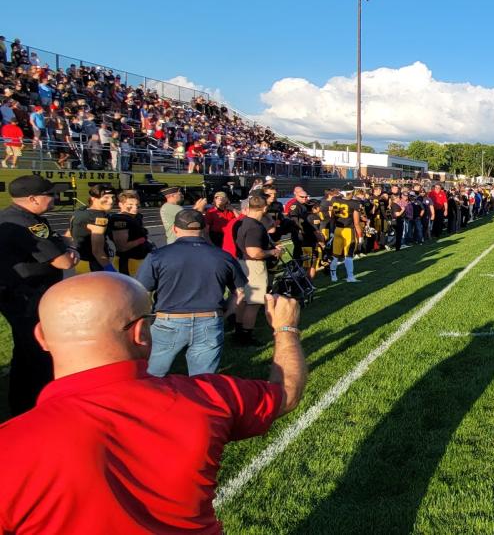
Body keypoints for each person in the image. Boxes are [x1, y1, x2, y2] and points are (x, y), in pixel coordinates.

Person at [0, 273, 306, 532]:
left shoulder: (10, 443)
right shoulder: (207, 396)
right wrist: (285, 328)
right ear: (141, 332)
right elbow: (287, 393)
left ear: (41, 337)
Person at [0, 175, 78, 416]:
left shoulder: (8, 216)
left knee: (24, 353)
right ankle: (40, 407)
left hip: (13, 295)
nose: (54, 198)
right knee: (40, 353)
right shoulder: (31, 223)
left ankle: (21, 403)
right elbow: (63, 261)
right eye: (49, 195)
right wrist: (70, 248)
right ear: (33, 199)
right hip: (30, 298)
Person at [136, 210, 247, 376]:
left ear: (175, 229)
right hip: (209, 319)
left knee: (152, 375)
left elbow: (141, 291)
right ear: (204, 229)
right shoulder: (223, 256)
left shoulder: (157, 256)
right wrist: (225, 313)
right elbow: (239, 293)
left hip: (168, 320)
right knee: (203, 380)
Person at [233, 195, 283, 345]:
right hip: (253, 265)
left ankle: (239, 330)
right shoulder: (255, 226)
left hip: (241, 262)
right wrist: (273, 252)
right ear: (265, 208)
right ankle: (246, 335)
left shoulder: (240, 222)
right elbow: (254, 252)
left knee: (242, 300)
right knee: (253, 303)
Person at [68, 184, 116, 273]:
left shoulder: (82, 210)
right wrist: (109, 268)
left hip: (81, 261)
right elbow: (97, 251)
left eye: (112, 197)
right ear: (93, 198)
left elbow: (68, 235)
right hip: (94, 264)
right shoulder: (98, 216)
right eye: (106, 197)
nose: (111, 201)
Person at [108, 191, 153, 277]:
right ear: (121, 204)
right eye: (130, 205)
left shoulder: (135, 216)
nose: (135, 207)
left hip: (139, 259)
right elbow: (122, 247)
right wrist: (142, 240)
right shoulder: (120, 220)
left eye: (137, 204)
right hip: (128, 262)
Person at [329, 191, 363, 283]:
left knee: (335, 255)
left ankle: (333, 277)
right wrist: (360, 236)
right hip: (348, 231)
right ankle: (350, 277)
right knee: (348, 256)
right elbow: (356, 223)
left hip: (337, 230)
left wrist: (332, 231)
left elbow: (332, 217)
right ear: (351, 193)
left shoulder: (335, 199)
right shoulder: (354, 203)